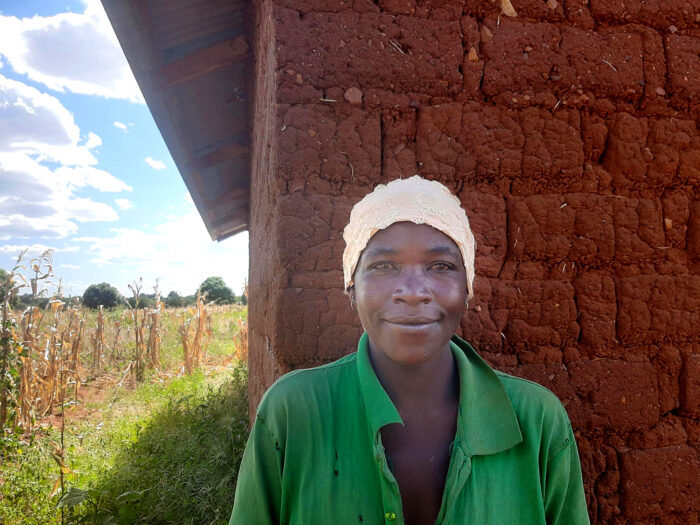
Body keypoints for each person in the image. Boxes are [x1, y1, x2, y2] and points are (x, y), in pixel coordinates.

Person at [230, 176, 589, 525]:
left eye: (441, 266)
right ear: (351, 287)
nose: (413, 291)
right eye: (384, 266)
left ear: (468, 287)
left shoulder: (538, 422)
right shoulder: (291, 413)